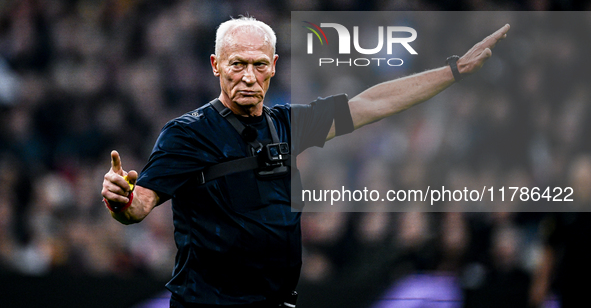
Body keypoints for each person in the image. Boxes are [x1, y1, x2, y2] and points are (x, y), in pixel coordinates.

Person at [101, 16, 510, 307]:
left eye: (259, 65)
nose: (248, 76)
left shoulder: (287, 123)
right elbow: (141, 204)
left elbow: (370, 103)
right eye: (237, 64)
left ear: (273, 67)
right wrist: (121, 200)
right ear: (215, 66)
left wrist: (451, 71)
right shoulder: (187, 134)